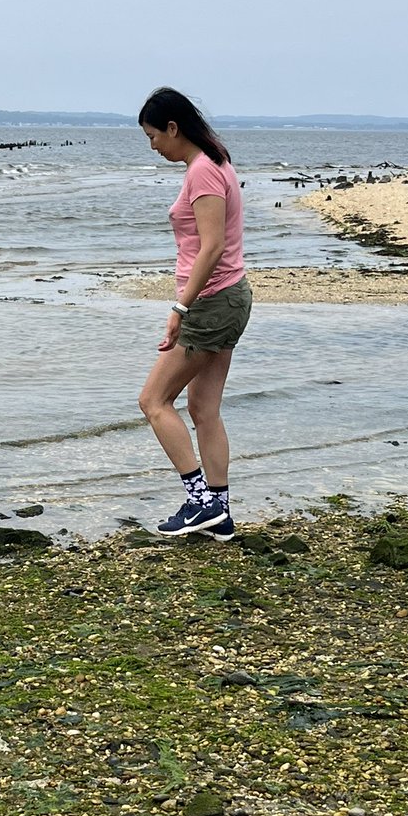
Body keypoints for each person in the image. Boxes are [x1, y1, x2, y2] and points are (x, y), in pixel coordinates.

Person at [137, 88, 252, 541]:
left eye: (152, 136)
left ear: (173, 127)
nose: (153, 147)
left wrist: (180, 307)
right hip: (229, 296)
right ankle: (218, 513)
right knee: (204, 408)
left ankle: (199, 500)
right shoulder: (215, 160)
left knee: (153, 401)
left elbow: (213, 246)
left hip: (211, 301)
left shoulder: (202, 171)